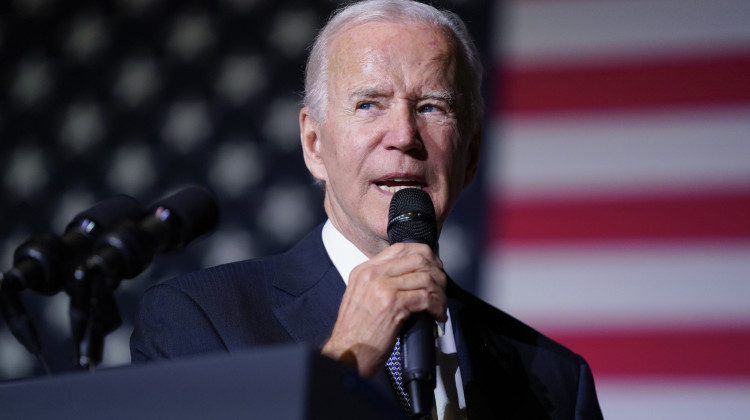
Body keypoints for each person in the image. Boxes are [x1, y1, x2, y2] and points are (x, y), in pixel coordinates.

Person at [130, 1, 603, 418]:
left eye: (432, 107)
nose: (403, 135)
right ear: (314, 143)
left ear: (471, 155)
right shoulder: (197, 322)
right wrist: (344, 362)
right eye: (369, 105)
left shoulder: (558, 381)